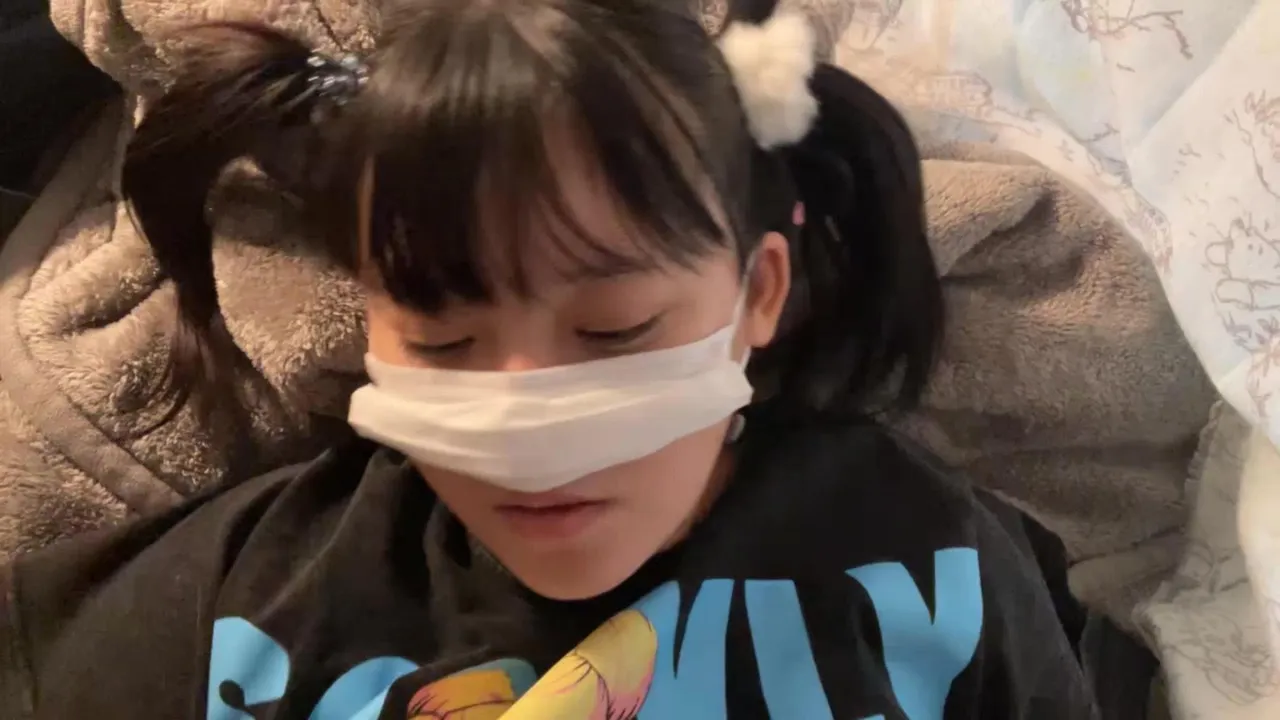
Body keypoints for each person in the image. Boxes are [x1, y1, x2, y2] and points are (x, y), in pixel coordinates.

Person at [0, 0, 1100, 717]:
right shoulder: (246, 600)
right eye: (443, 342)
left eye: (615, 330)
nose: (527, 432)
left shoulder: (929, 563)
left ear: (758, 294)